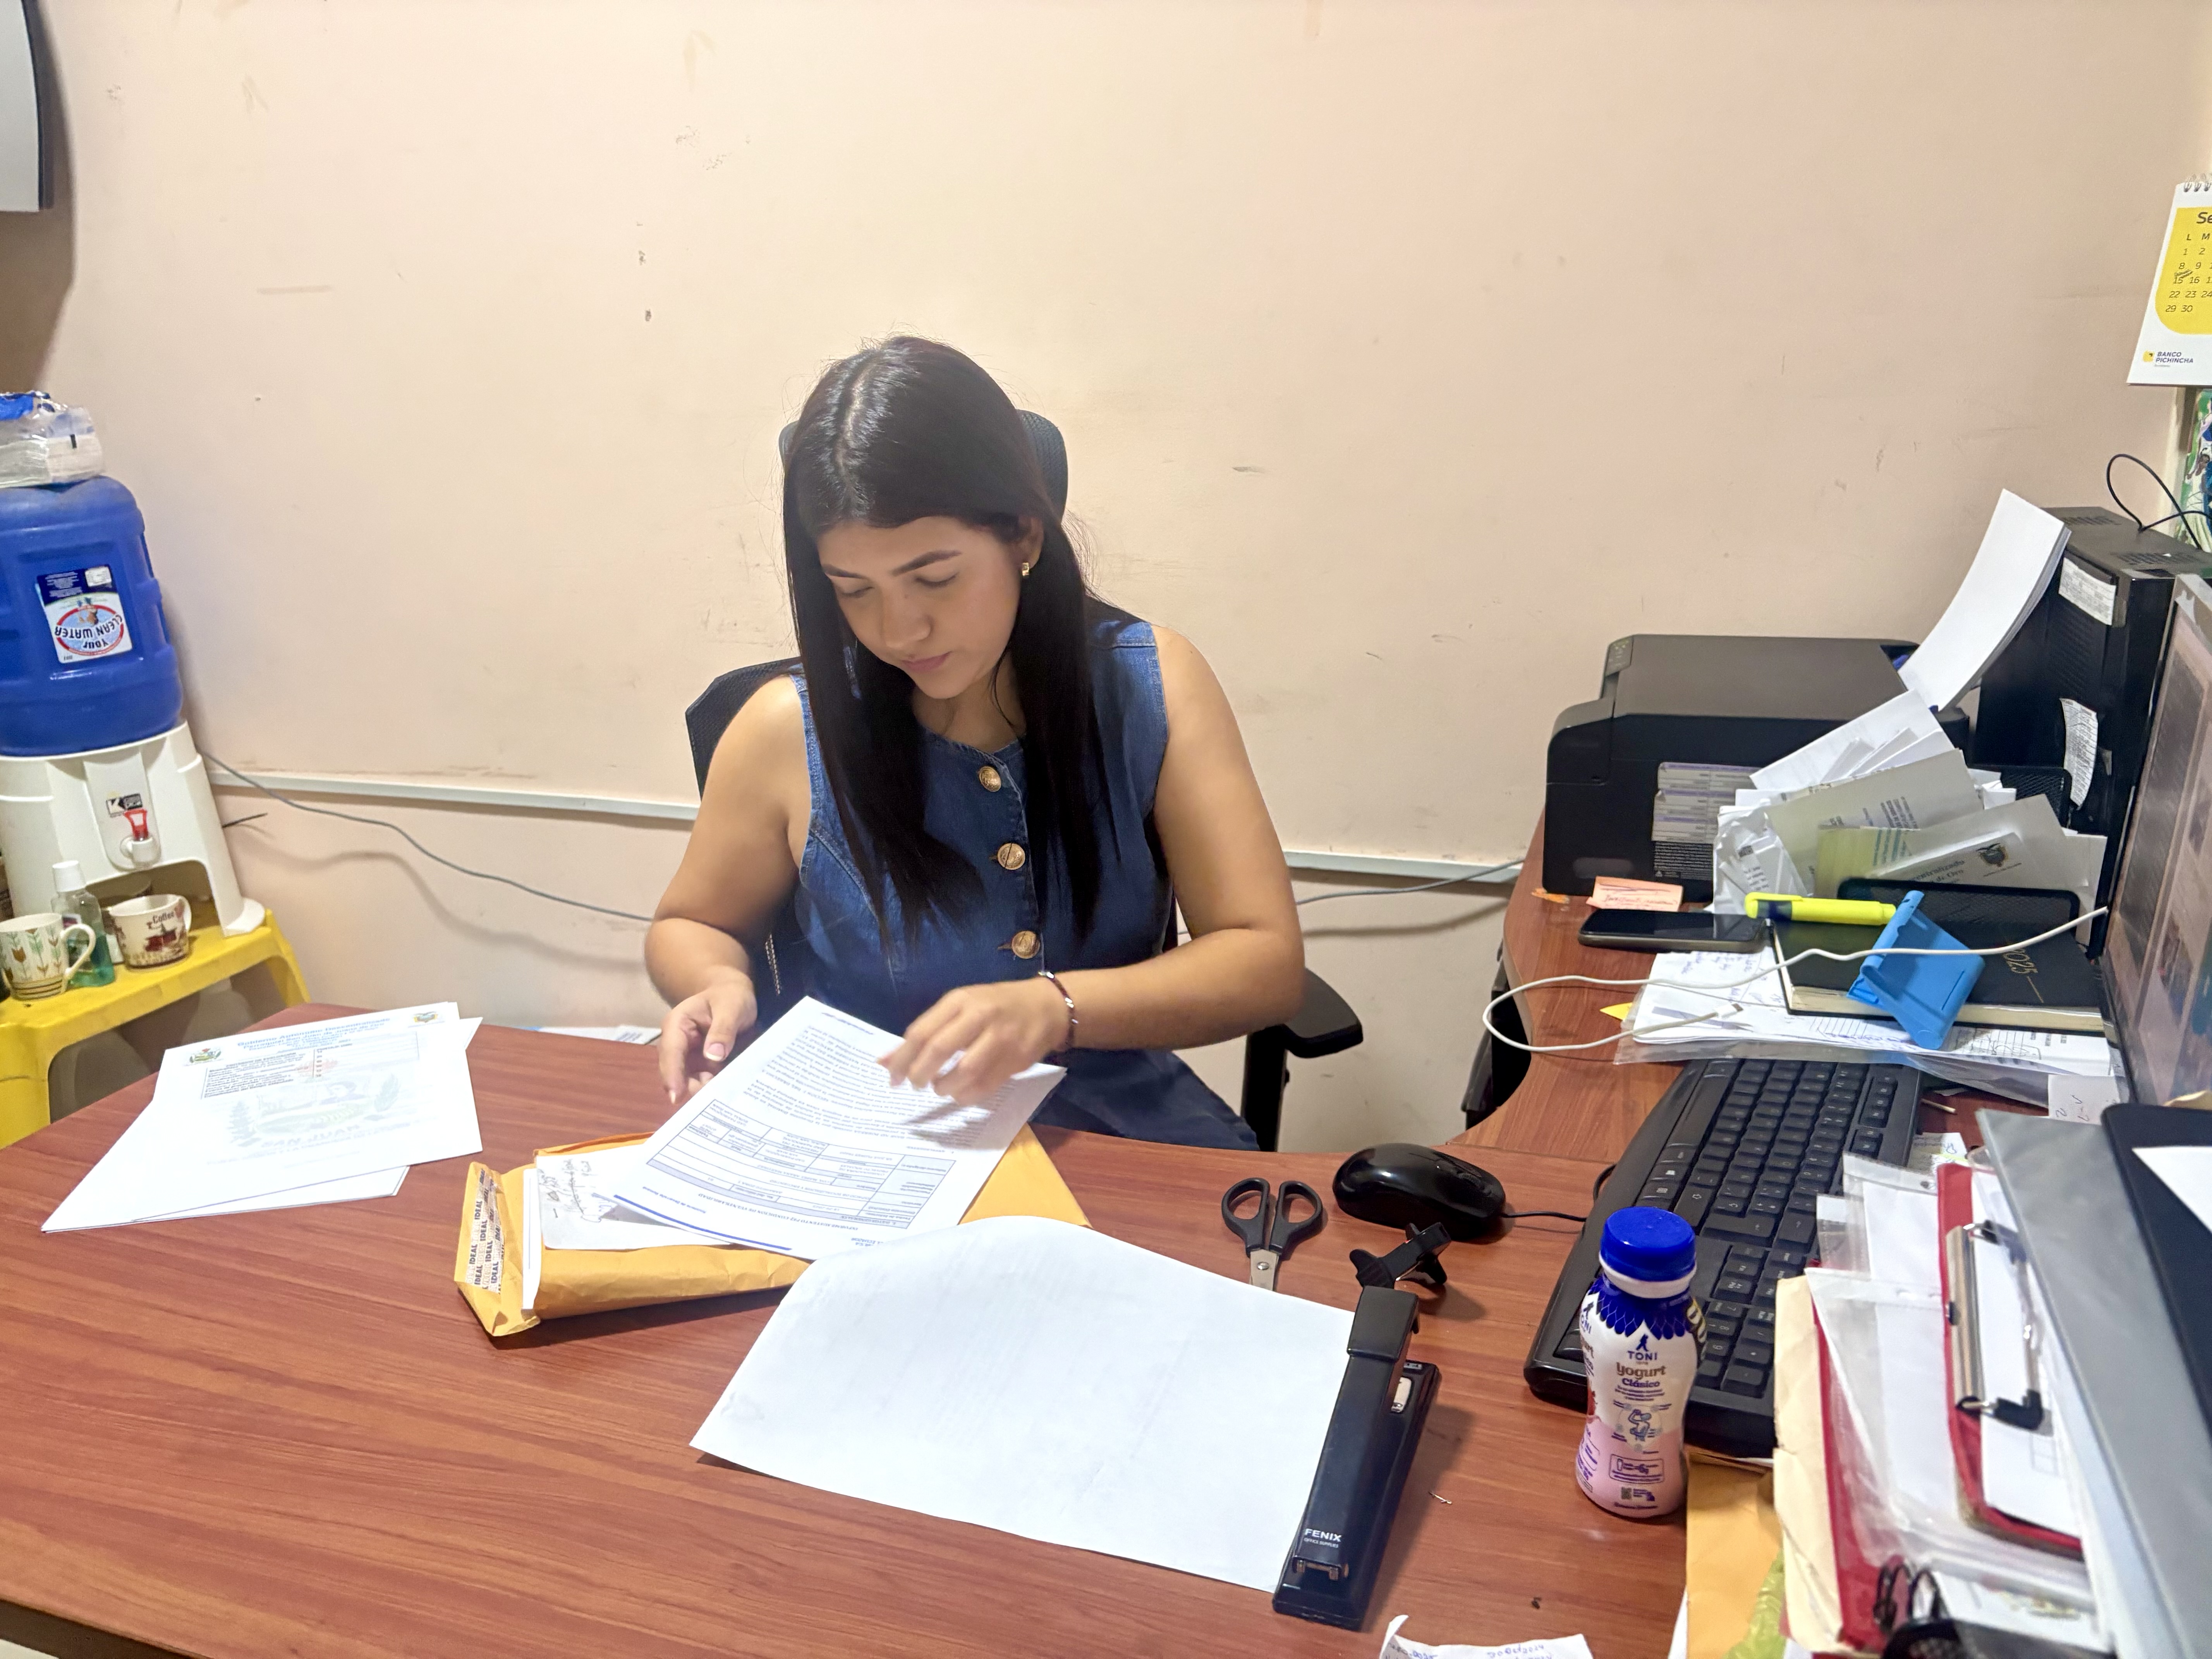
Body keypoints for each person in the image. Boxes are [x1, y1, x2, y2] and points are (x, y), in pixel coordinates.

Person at [647, 337, 1302, 1149]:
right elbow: (691, 923)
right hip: (878, 1133)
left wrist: (1058, 1008)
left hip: (1113, 1129)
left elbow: (1264, 960)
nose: (899, 630)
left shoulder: (1151, 684)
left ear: (1023, 536)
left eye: (935, 578)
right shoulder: (787, 727)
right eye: (854, 590)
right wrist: (716, 981)